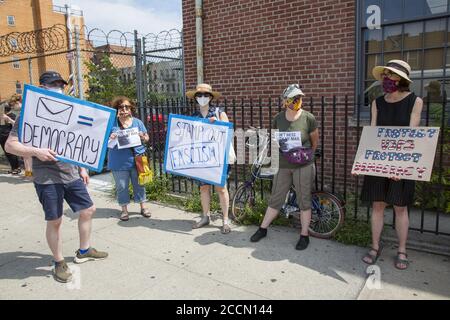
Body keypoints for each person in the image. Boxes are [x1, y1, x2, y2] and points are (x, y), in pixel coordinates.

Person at [5, 71, 108, 283]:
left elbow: (78, 141)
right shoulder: (28, 114)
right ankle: (58, 261)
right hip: (47, 178)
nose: (58, 88)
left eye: (60, 84)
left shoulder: (70, 111)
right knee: (55, 220)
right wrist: (35, 151)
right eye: (53, 84)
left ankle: (84, 250)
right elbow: (10, 145)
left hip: (70, 173)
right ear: (42, 87)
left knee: (88, 210)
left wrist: (82, 168)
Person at [360, 60, 423, 270]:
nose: (386, 78)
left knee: (400, 208)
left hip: (401, 163)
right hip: (378, 162)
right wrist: (368, 162)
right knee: (378, 206)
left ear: (401, 79)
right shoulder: (377, 102)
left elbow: (411, 136)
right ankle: (375, 246)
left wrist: (398, 166)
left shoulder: (415, 101)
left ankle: (402, 249)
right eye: (385, 74)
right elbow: (373, 132)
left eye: (391, 75)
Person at [250, 84, 319, 250]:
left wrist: (308, 155)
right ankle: (263, 228)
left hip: (303, 165)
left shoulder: (308, 118)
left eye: (299, 98)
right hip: (283, 164)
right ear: (286, 100)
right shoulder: (278, 118)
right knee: (276, 197)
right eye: (293, 98)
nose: (297, 101)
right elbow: (275, 140)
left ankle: (304, 235)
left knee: (304, 199)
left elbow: (314, 141)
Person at [186, 83, 232, 234]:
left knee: (221, 188)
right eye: (199, 95)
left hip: (218, 157)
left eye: (206, 95)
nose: (202, 98)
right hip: (201, 157)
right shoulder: (193, 116)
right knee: (203, 188)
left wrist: (216, 123)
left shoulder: (219, 112)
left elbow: (228, 130)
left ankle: (225, 220)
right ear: (195, 98)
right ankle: (205, 217)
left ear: (211, 97)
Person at [107, 96, 151, 221]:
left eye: (127, 107)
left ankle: (143, 207)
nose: (124, 109)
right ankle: (124, 210)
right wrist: (112, 137)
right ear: (116, 109)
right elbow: (106, 143)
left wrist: (143, 136)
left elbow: (147, 138)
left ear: (131, 109)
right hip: (118, 161)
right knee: (122, 186)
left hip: (138, 158)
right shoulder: (112, 123)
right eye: (121, 107)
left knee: (140, 184)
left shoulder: (137, 122)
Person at [0, 99, 20, 174]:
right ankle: (14, 168)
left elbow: (15, 124)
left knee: (10, 152)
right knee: (7, 153)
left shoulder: (12, 115)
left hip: (7, 136)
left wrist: (8, 119)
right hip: (2, 136)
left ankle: (16, 168)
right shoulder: (2, 117)